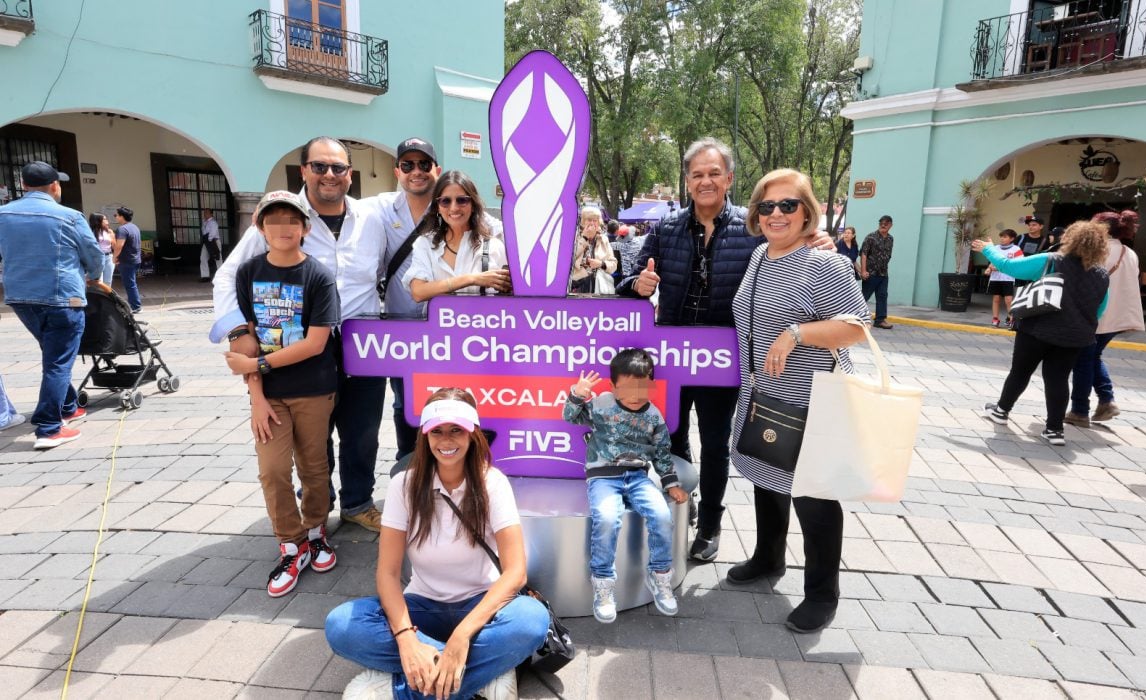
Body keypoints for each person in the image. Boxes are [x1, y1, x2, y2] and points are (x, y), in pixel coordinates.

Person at [618, 136, 833, 562]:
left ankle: (712, 525)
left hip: (724, 358)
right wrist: (637, 286)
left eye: (714, 173)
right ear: (686, 181)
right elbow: (629, 283)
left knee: (717, 444)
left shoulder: (752, 229)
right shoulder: (666, 229)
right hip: (672, 357)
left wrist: (817, 240)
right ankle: (684, 502)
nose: (706, 181)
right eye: (697, 174)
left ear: (729, 178)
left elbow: (787, 251)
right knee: (671, 438)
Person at [325, 388, 550, 700]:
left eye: (456, 430)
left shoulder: (492, 483)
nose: (446, 441)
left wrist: (461, 637)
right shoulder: (403, 485)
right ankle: (478, 679)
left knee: (531, 621)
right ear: (424, 436)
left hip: (479, 605)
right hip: (421, 606)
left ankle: (402, 689)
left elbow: (515, 573)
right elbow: (388, 574)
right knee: (341, 625)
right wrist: (406, 640)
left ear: (472, 434)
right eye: (437, 431)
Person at [213, 136, 388, 533]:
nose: (330, 175)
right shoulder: (281, 216)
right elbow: (228, 275)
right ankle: (318, 507)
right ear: (304, 171)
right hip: (302, 344)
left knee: (363, 431)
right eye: (320, 166)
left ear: (349, 174)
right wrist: (239, 330)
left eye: (338, 168)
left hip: (363, 340)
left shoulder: (371, 219)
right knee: (314, 433)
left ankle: (358, 502)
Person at [725, 167, 870, 634]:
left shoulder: (824, 262)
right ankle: (769, 557)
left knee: (812, 494)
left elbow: (857, 327)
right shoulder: (761, 255)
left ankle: (822, 594)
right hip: (765, 393)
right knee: (768, 476)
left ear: (808, 211)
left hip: (812, 399)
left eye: (788, 205)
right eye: (767, 206)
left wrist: (797, 332)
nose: (776, 214)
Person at [223, 190, 339, 597]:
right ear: (260, 227)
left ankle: (316, 530)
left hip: (314, 388)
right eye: (273, 220)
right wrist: (255, 393)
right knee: (272, 470)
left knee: (313, 466)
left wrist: (257, 367)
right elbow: (246, 339)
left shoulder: (318, 276)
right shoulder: (249, 272)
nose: (283, 228)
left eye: (292, 220)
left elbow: (315, 343)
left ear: (305, 228)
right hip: (269, 395)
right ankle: (292, 545)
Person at [563, 349, 687, 623]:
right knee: (607, 518)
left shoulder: (654, 416)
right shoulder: (602, 404)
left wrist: (670, 483)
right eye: (627, 388)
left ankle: (660, 576)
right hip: (603, 477)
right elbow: (570, 417)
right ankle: (604, 585)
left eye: (642, 387)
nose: (634, 394)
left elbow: (662, 453)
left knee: (662, 516)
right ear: (613, 387)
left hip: (639, 477)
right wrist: (577, 393)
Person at [974, 220, 1110, 447]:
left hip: (1037, 329)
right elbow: (1100, 309)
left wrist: (988, 249)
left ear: (1070, 238)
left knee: (1020, 372)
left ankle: (1001, 410)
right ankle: (1054, 430)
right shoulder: (1101, 274)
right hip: (1074, 336)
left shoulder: (1052, 261)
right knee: (1058, 379)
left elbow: (1011, 267)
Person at [0, 162, 103, 449]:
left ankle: (69, 406)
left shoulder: (3, 214)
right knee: (58, 361)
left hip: (21, 297)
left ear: (24, 185)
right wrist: (94, 277)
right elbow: (93, 254)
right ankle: (48, 427)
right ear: (55, 186)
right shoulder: (69, 216)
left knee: (54, 352)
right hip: (62, 298)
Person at [366, 137, 444, 461]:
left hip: (443, 328)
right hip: (400, 329)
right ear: (397, 170)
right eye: (408, 165)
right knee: (403, 403)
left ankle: (443, 465)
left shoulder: (450, 204)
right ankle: (408, 465)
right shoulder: (380, 209)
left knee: (442, 399)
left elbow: (488, 226)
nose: (417, 172)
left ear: (436, 170)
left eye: (424, 165)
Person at [1065, 211, 1144, 427]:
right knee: (1093, 357)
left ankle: (1080, 411)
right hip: (1117, 318)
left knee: (1083, 361)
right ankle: (1106, 401)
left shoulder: (1098, 250)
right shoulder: (1129, 253)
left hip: (1095, 315)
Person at [404, 171, 510, 303]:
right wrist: (472, 279)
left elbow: (508, 295)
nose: (454, 208)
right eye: (445, 201)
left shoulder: (494, 246)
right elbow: (418, 292)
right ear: (437, 207)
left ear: (473, 205)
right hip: (437, 323)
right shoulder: (425, 244)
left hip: (482, 321)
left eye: (462, 200)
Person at [569, 205, 617, 294]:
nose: (592, 223)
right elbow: (568, 260)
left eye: (595, 220)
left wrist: (601, 264)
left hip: (600, 286)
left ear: (599, 223)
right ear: (583, 222)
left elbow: (613, 264)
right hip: (577, 286)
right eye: (589, 220)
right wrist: (584, 238)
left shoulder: (603, 239)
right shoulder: (574, 237)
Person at [860, 215, 894, 329]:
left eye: (886, 223)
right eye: (881, 223)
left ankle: (880, 320)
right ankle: (852, 316)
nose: (883, 225)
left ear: (890, 225)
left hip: (883, 274)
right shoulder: (871, 237)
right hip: (871, 273)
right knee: (864, 296)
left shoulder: (890, 238)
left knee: (882, 296)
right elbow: (863, 254)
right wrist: (863, 271)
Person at [985, 229, 1023, 328]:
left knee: (1008, 299)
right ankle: (995, 318)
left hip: (1008, 278)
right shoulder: (996, 248)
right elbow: (992, 261)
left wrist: (999, 268)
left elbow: (1018, 264)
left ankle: (1011, 319)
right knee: (996, 298)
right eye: (1001, 236)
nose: (1002, 239)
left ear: (1012, 239)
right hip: (995, 278)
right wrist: (989, 268)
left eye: (1005, 237)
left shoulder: (1016, 249)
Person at [113, 206, 143, 313]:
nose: (115, 217)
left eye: (116, 215)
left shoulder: (122, 229)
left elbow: (119, 246)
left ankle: (136, 306)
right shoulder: (134, 227)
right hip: (135, 259)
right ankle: (135, 304)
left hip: (126, 260)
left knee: (130, 284)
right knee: (131, 283)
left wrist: (114, 257)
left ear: (122, 216)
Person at [89, 212, 116, 286]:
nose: (107, 221)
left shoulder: (109, 231)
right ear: (98, 221)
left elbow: (114, 246)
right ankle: (98, 296)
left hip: (109, 257)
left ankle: (106, 297)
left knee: (108, 281)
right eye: (104, 219)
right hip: (97, 258)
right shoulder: (90, 232)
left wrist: (116, 257)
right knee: (98, 281)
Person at [200, 208, 222, 282]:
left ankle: (222, 276)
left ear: (211, 214)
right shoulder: (204, 222)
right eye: (204, 213)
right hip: (207, 242)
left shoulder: (213, 223)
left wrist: (209, 241)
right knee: (203, 258)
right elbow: (203, 232)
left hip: (213, 241)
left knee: (218, 258)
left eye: (206, 213)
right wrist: (207, 241)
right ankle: (205, 276)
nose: (205, 214)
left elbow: (213, 232)